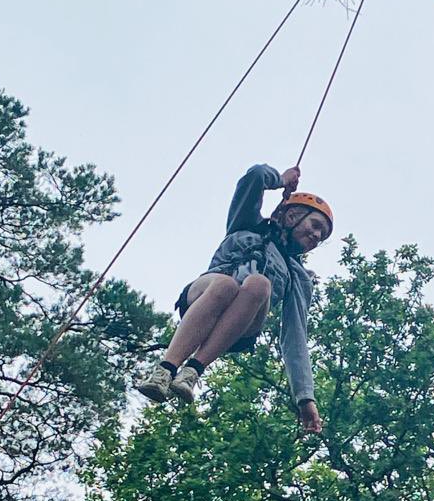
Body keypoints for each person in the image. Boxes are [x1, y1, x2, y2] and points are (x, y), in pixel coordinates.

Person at [136, 163, 333, 433]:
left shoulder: (297, 276)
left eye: (322, 234)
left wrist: (305, 397)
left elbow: (295, 336)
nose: (317, 235)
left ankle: (192, 371)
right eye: (315, 225)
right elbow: (253, 177)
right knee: (226, 285)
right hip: (207, 296)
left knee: (258, 284)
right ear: (292, 216)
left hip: (244, 322)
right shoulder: (246, 224)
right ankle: (165, 370)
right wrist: (281, 179)